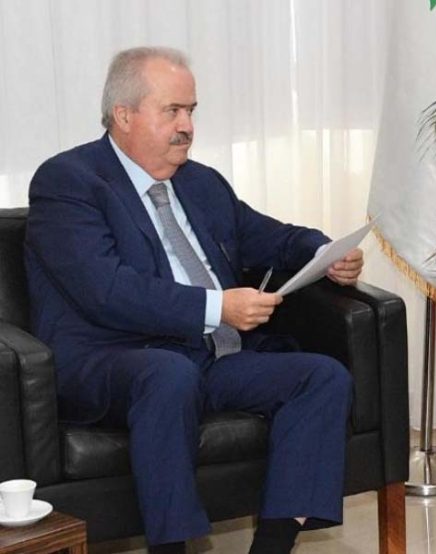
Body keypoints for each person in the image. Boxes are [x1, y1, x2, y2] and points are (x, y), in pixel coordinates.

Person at [24, 47, 365, 554]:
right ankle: (172, 547)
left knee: (321, 377)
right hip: (112, 358)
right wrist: (217, 307)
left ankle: (272, 547)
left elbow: (270, 237)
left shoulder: (200, 182)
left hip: (208, 357)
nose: (186, 126)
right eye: (172, 111)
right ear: (124, 115)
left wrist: (325, 253)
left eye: (191, 111)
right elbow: (106, 291)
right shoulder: (69, 182)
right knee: (167, 374)